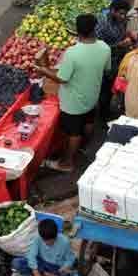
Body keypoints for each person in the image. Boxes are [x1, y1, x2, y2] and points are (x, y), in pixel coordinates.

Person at [35, 14, 111, 172]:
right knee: (89, 121)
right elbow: (106, 69)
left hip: (73, 102)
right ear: (94, 28)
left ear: (77, 31)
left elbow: (62, 79)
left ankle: (67, 163)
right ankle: (85, 146)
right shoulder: (104, 47)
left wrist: (43, 70)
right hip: (92, 95)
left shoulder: (72, 53)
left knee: (73, 132)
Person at [95, 0, 135, 121]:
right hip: (106, 61)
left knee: (113, 84)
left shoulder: (120, 20)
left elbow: (122, 31)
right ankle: (103, 116)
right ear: (113, 11)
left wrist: (129, 35)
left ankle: (109, 108)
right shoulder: (102, 24)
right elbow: (98, 47)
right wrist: (119, 45)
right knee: (105, 89)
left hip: (118, 58)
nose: (123, 17)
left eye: (125, 14)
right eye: (121, 14)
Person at [12, 219, 76, 276]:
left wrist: (65, 267)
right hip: (41, 264)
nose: (47, 243)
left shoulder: (64, 242)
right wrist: (36, 273)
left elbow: (70, 258)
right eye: (45, 240)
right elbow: (31, 255)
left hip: (55, 268)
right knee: (16, 262)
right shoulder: (38, 238)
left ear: (56, 235)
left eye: (51, 241)